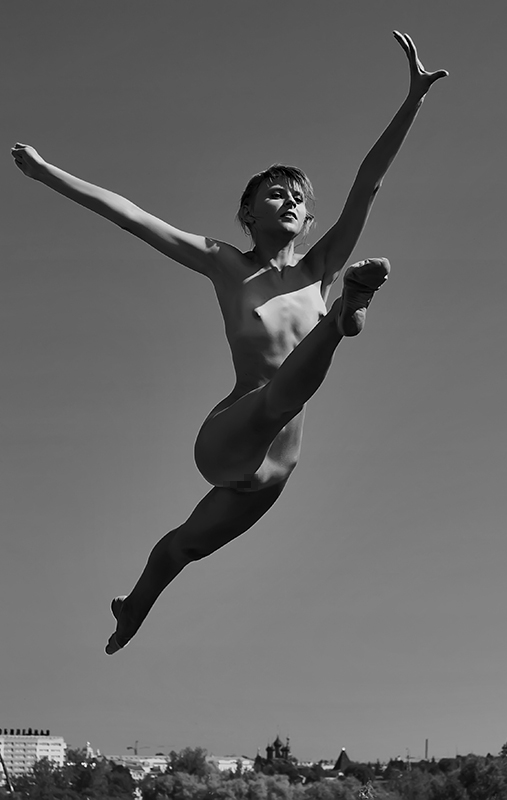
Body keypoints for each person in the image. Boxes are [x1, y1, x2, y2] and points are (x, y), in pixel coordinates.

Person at [11, 32, 447, 654]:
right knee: (277, 397)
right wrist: (46, 172)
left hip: (274, 471)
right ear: (247, 215)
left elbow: (368, 183)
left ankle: (131, 610)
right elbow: (130, 215)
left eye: (298, 196)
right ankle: (346, 316)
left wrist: (412, 101)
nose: (289, 198)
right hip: (229, 438)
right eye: (274, 192)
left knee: (182, 547)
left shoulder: (319, 266)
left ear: (310, 219)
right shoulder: (224, 263)